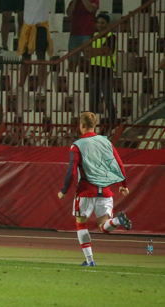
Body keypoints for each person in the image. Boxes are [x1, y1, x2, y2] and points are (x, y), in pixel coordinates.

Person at [57, 112, 131, 266]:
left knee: (81, 224)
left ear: (82, 125)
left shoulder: (77, 145)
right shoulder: (106, 142)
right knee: (104, 226)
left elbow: (72, 171)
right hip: (105, 191)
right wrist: (123, 184)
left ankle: (90, 261)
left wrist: (64, 190)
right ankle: (118, 220)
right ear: (95, 125)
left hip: (86, 190)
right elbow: (118, 163)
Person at [12, 0, 55, 93]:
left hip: (40, 28)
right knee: (25, 58)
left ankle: (42, 85)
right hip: (27, 28)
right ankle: (20, 85)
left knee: (41, 57)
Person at [85, 14, 117, 123]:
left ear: (107, 24)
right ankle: (91, 125)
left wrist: (93, 51)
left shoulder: (111, 36)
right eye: (98, 22)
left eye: (102, 23)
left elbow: (107, 51)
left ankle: (113, 123)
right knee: (93, 101)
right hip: (94, 71)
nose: (100, 25)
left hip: (106, 71)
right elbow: (86, 53)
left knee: (108, 100)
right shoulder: (93, 35)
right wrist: (99, 51)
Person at [66, 0, 99, 71]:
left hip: (87, 33)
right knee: (72, 60)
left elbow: (91, 9)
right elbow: (69, 13)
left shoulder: (94, 0)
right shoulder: (74, 2)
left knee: (88, 59)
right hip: (74, 33)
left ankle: (87, 78)